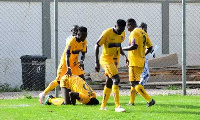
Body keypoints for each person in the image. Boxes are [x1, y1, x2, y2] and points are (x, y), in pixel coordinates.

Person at [39, 26, 87, 104]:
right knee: (58, 80)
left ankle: (83, 97)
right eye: (82, 35)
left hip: (75, 63)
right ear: (77, 34)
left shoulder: (84, 41)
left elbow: (83, 53)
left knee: (81, 77)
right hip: (65, 63)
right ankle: (43, 94)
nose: (84, 37)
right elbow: (67, 56)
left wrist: (81, 61)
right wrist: (68, 67)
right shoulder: (71, 40)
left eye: (85, 35)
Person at [95, 19, 128, 112]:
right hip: (106, 60)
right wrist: (96, 62)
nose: (120, 32)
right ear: (115, 26)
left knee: (109, 82)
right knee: (116, 79)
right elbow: (97, 45)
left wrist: (125, 56)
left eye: (122, 30)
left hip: (115, 60)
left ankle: (103, 106)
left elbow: (119, 45)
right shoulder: (107, 33)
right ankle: (117, 106)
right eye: (119, 30)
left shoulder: (122, 34)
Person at [122, 18, 155, 107]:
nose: (126, 28)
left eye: (127, 26)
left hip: (134, 61)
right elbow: (150, 47)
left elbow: (134, 46)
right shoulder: (143, 32)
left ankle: (149, 100)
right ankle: (131, 102)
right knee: (134, 82)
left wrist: (122, 48)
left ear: (130, 24)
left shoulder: (134, 32)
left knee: (134, 83)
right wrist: (143, 54)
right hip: (141, 61)